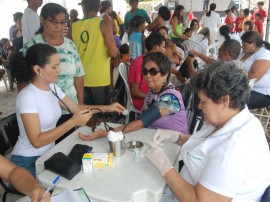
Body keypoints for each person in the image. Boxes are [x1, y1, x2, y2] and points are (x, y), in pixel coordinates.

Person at [145, 61, 270, 202]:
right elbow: (210, 145)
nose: (199, 105)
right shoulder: (230, 116)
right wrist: (177, 137)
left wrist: (165, 167)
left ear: (224, 100)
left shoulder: (237, 148)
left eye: (203, 101)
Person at [10, 44, 124, 176]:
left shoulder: (52, 87)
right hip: (28, 160)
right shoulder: (27, 97)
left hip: (49, 154)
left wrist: (107, 107)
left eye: (59, 65)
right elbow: (37, 141)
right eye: (54, 67)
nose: (59, 70)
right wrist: (72, 122)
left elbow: (76, 108)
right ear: (37, 69)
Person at [79, 52, 188, 142]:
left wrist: (106, 133)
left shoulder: (171, 98)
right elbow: (142, 118)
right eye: (145, 71)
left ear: (165, 74)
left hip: (173, 145)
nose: (147, 76)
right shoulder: (153, 91)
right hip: (153, 138)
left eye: (153, 71)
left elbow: (143, 121)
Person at [21, 3, 86, 141]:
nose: (59, 26)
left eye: (63, 22)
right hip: (45, 112)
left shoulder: (70, 45)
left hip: (69, 106)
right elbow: (22, 79)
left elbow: (79, 75)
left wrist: (79, 105)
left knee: (66, 145)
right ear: (42, 20)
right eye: (54, 21)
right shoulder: (33, 46)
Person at [72, 0, 118, 105]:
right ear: (100, 7)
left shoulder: (73, 27)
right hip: (99, 79)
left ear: (83, 7)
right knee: (101, 114)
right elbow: (114, 53)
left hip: (80, 79)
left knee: (86, 113)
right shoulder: (103, 24)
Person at [128, 32, 166, 111]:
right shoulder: (138, 63)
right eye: (163, 47)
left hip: (151, 96)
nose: (164, 50)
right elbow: (134, 91)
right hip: (142, 101)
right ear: (156, 48)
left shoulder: (153, 62)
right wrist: (154, 98)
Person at [238, 31, 270, 109]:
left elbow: (254, 77)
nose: (242, 47)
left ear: (254, 44)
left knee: (232, 104)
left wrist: (236, 72)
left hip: (261, 93)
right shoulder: (244, 53)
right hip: (241, 88)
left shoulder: (264, 54)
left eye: (244, 45)